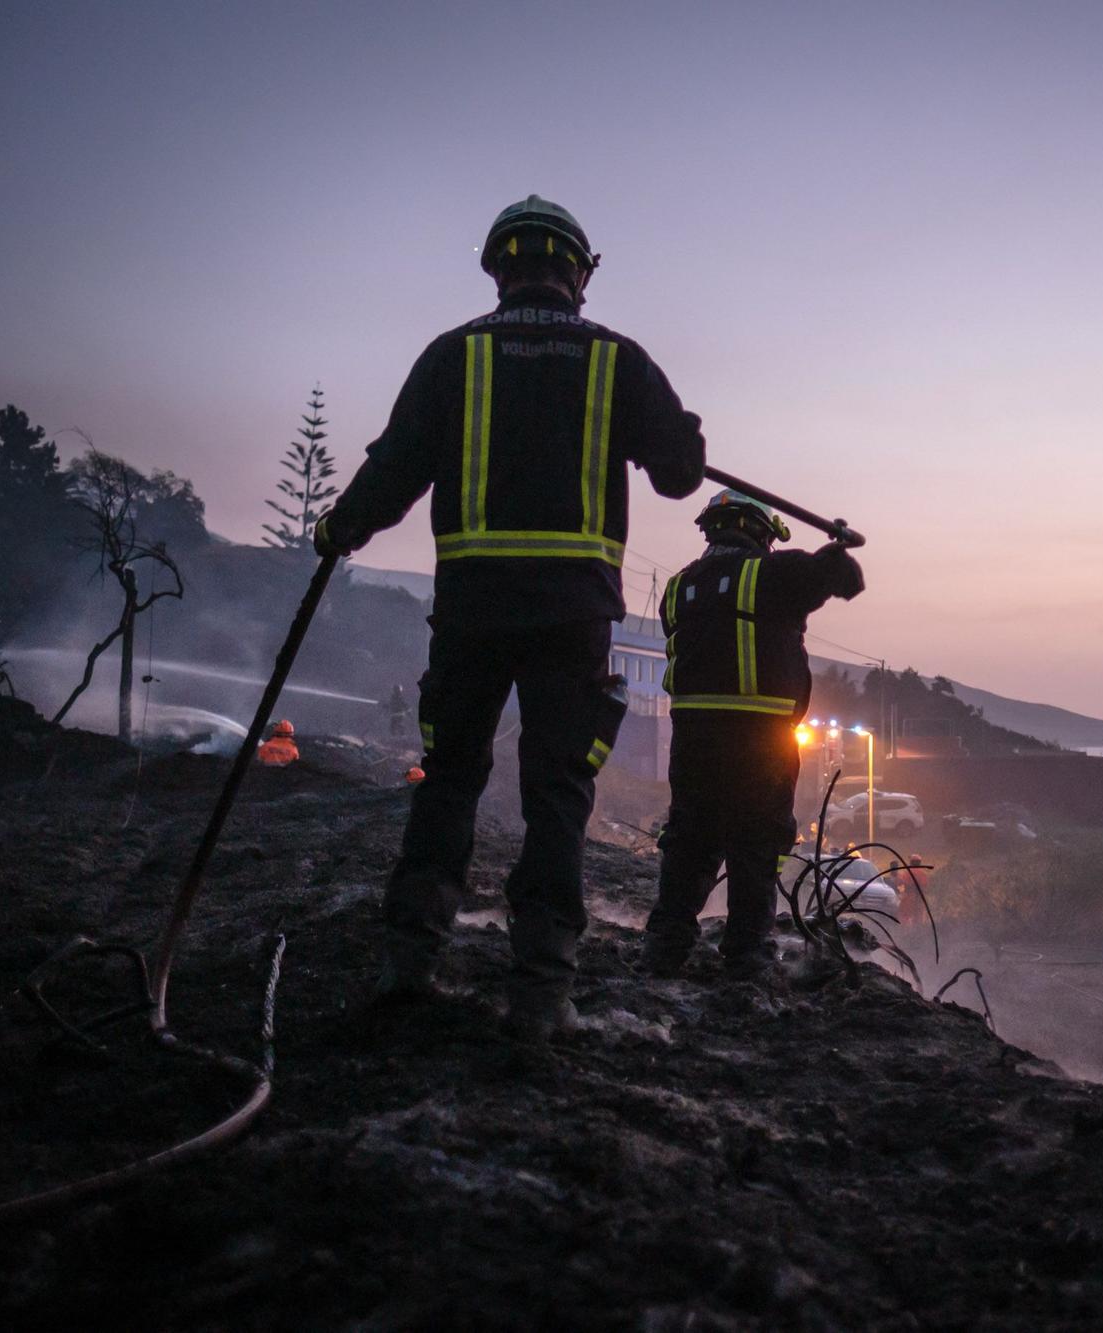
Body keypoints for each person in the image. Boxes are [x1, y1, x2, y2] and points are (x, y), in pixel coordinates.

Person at [313, 194, 705, 1039]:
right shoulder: (617, 362)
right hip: (574, 620)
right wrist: (683, 437)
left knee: (448, 776)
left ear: (498, 268)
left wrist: (339, 528)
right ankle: (540, 993)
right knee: (558, 795)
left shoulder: (453, 357)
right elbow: (679, 474)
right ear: (580, 273)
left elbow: (392, 472)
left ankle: (408, 962)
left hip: (471, 614)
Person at [641, 491, 864, 979]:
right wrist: (839, 545)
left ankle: (664, 946)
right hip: (760, 741)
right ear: (761, 532)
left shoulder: (678, 587)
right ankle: (746, 954)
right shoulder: (774, 574)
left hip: (692, 739)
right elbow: (847, 583)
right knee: (757, 842)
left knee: (690, 840)